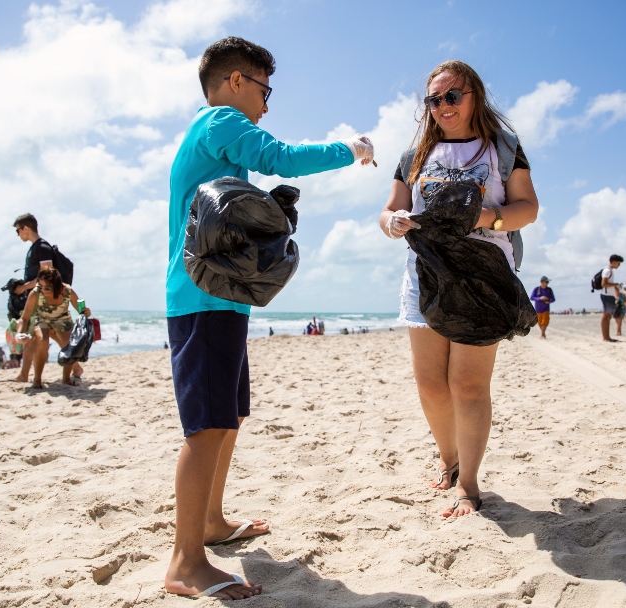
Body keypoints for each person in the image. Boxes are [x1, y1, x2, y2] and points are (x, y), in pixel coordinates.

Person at [163, 37, 374, 601]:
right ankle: (186, 561)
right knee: (206, 425)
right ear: (236, 82)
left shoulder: (217, 136)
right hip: (201, 300)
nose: (266, 102)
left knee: (227, 416)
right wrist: (349, 150)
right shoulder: (219, 121)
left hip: (223, 298)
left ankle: (210, 523)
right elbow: (280, 154)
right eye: (265, 88)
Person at [379, 60, 538, 518]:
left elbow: (527, 207)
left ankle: (468, 485)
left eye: (453, 96)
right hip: (426, 274)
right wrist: (394, 223)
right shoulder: (414, 156)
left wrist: (486, 217)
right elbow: (389, 210)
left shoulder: (503, 149)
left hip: (485, 275)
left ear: (475, 97)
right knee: (431, 385)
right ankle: (449, 462)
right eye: (434, 99)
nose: (443, 106)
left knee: (467, 384)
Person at [15, 268, 90, 388]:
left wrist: (86, 312)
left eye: (47, 287)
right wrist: (19, 334)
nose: (43, 290)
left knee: (69, 344)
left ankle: (66, 379)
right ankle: (37, 380)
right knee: (42, 341)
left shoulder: (67, 291)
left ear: (57, 285)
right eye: (41, 285)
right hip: (43, 320)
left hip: (62, 321)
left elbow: (82, 311)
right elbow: (24, 318)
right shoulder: (36, 293)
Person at [9, 214, 55, 383]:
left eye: (18, 230)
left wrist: (23, 287)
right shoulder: (35, 247)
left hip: (42, 301)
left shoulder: (42, 247)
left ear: (26, 228)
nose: (18, 234)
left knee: (47, 336)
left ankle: (77, 368)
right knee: (34, 337)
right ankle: (23, 375)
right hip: (36, 299)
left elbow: (48, 274)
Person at [599, 255, 624, 342]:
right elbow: (604, 284)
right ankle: (605, 337)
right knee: (606, 316)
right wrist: (615, 284)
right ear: (613, 262)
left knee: (608, 316)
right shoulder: (607, 271)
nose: (618, 265)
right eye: (618, 263)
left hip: (609, 295)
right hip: (607, 295)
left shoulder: (609, 270)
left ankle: (607, 337)